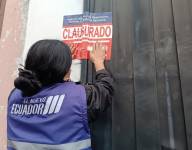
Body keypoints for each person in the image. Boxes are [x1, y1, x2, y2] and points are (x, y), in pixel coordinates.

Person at [7, 40, 114, 150]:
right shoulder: (77, 97)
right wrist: (98, 62)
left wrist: (62, 66)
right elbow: (105, 90)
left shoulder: (15, 95)